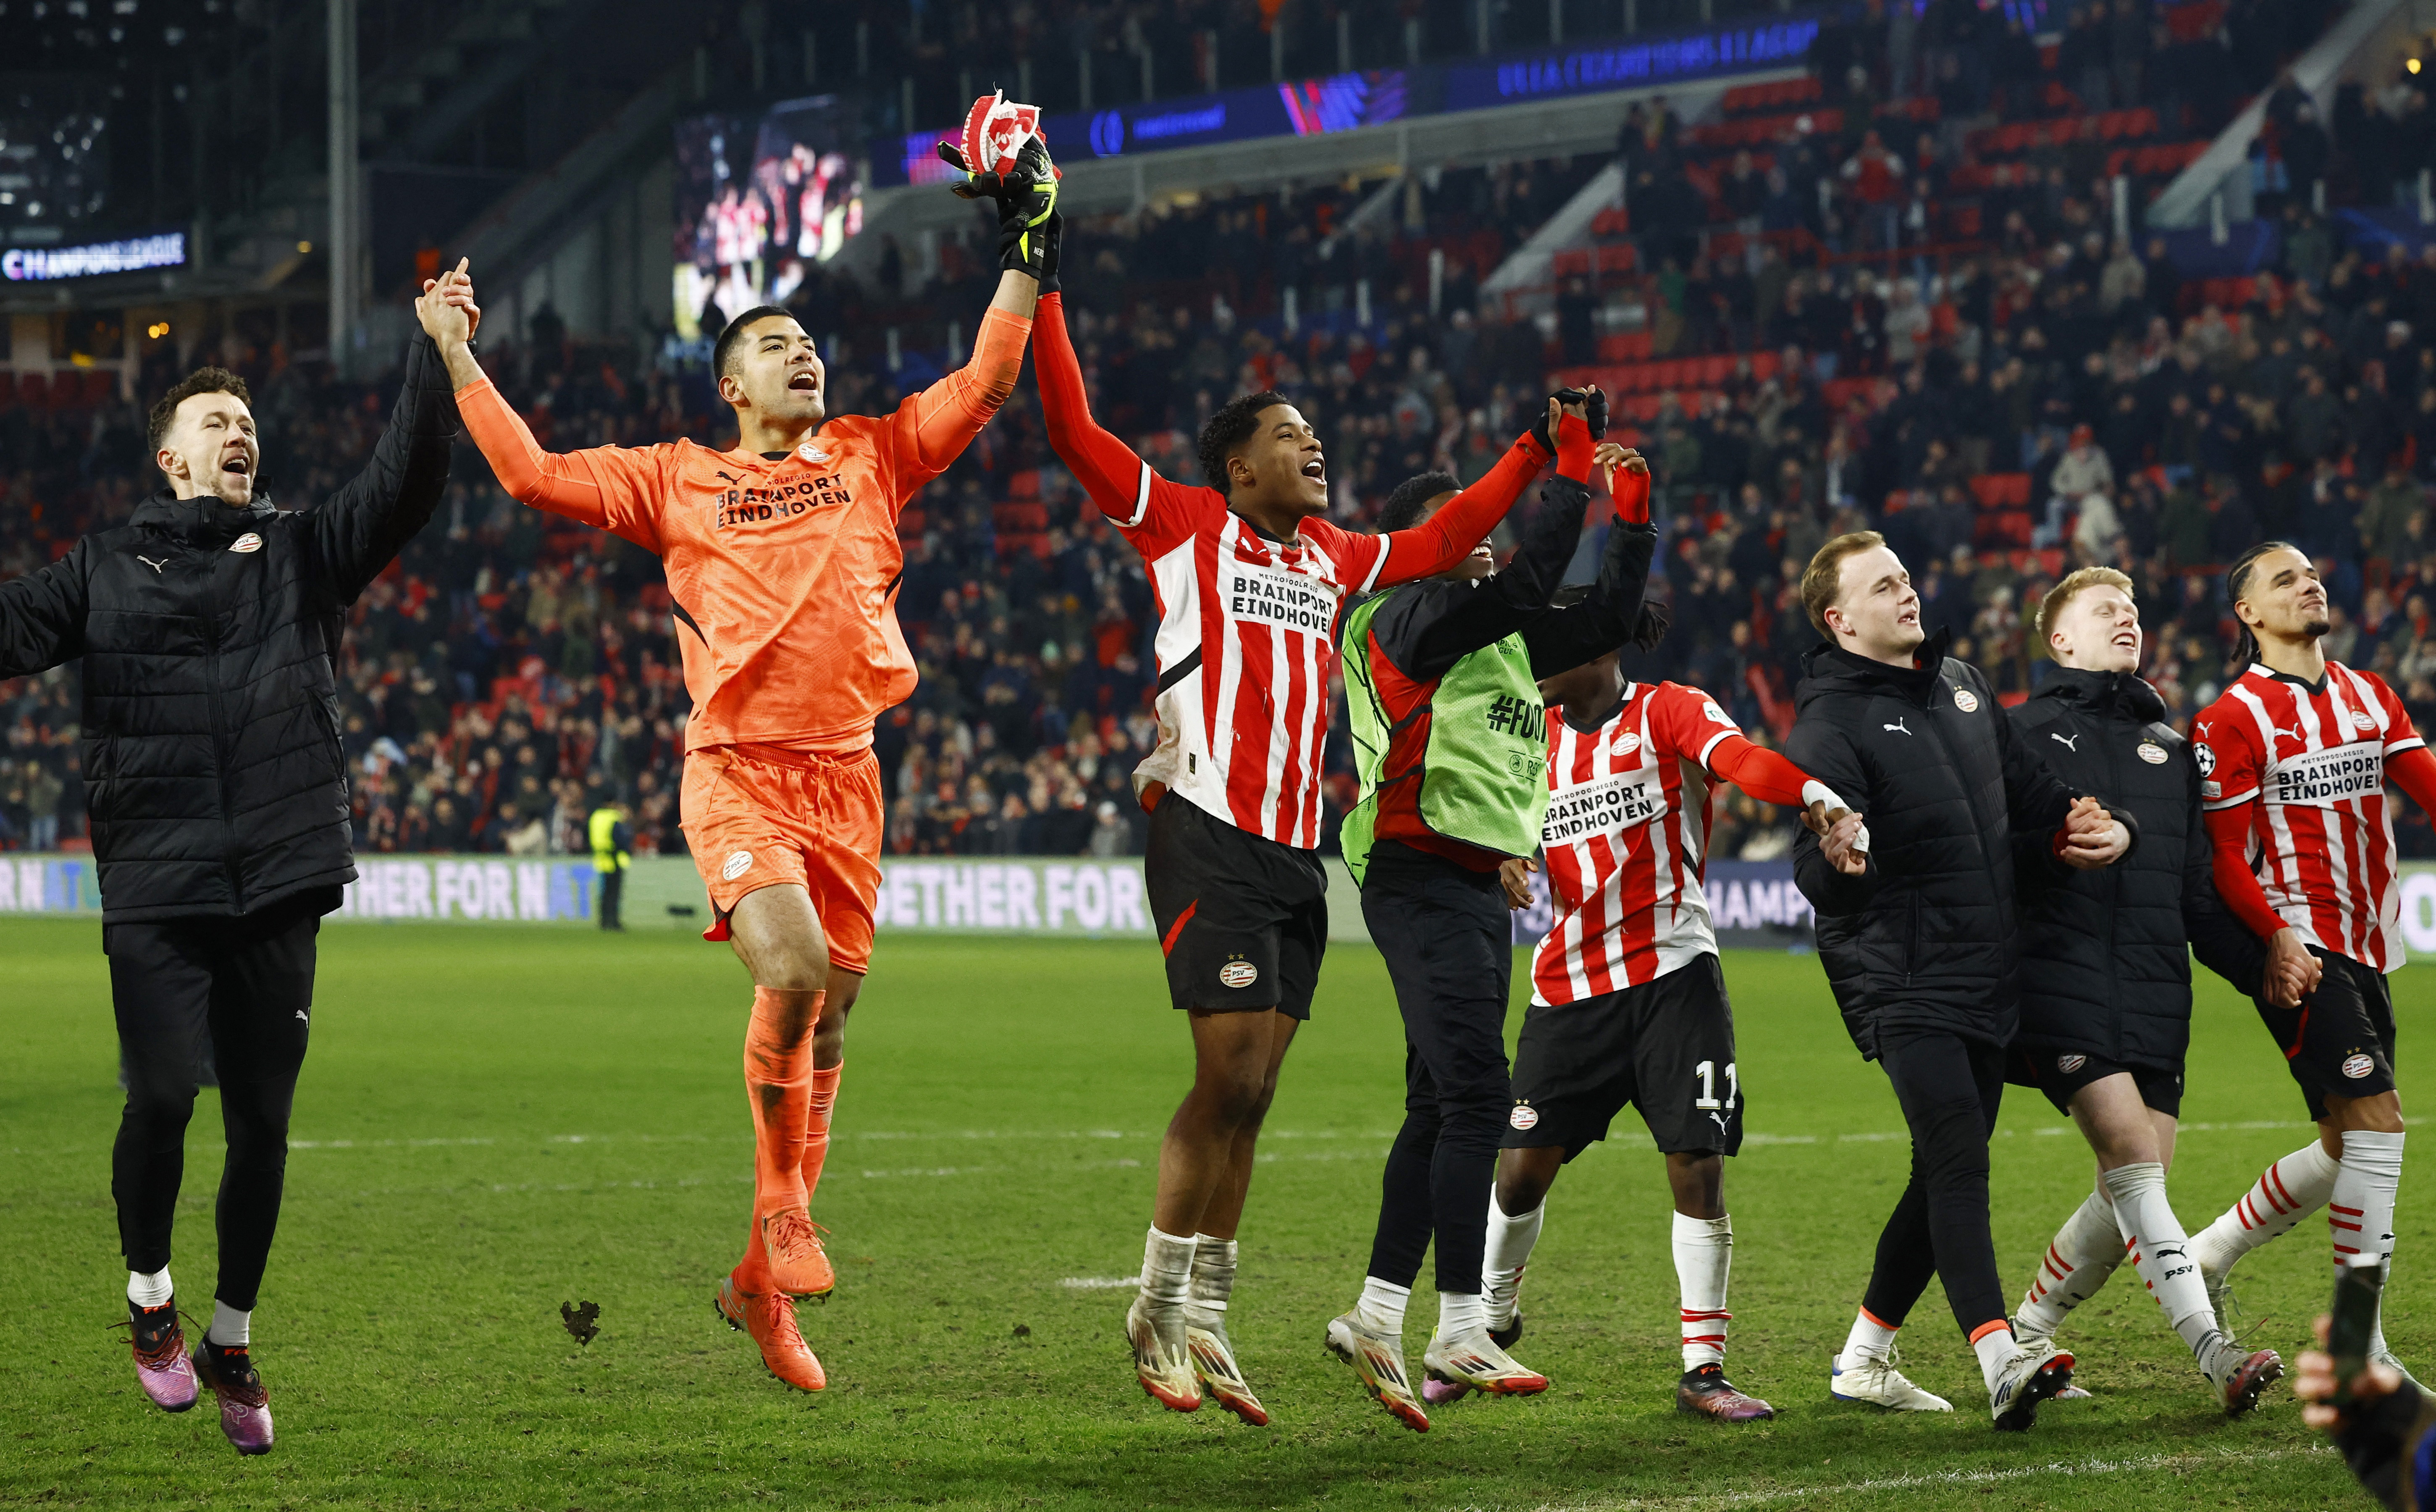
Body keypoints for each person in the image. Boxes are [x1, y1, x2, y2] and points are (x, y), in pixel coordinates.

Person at [436, 140, 1054, 1393]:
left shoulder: (876, 454)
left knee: (829, 1031)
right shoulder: (677, 479)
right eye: (775, 346)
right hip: (736, 772)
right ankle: (784, 1208)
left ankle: (758, 1294)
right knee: (794, 969)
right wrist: (456, 349)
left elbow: (991, 378)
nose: (802, 355)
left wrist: (1028, 243)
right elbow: (527, 473)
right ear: (730, 384)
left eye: (808, 343)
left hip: (848, 780)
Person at [1030, 213, 1563, 1425]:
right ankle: (1156, 1305)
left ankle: (1210, 1318)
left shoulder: (1329, 556)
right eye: (1289, 437)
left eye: (1315, 436)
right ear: (1237, 470)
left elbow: (1438, 538)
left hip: (1292, 853)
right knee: (1223, 1074)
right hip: (1206, 827)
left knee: (1259, 1088)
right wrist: (1043, 280)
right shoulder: (1182, 524)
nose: (1314, 448)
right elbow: (1071, 429)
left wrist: (1535, 456)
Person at [0, 268, 470, 1454]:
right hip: (158, 880)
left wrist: (434, 352)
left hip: (279, 874)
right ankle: (150, 1300)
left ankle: (231, 1336)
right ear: (169, 459)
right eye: (214, 421)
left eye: (247, 421)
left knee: (262, 1126)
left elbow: (405, 486)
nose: (239, 430)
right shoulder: (100, 571)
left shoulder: (303, 552)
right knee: (162, 1098)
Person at [1325, 413, 1651, 1428]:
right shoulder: (1400, 615)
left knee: (1437, 1103)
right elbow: (1517, 582)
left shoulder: (1493, 634)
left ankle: (1377, 1309)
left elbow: (1602, 620)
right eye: (1451, 522)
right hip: (1416, 866)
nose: (1473, 532)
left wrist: (1629, 516)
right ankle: (1460, 1324)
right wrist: (1561, 476)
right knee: (1478, 1096)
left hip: (1471, 879)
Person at [1785, 531, 2131, 1431]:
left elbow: (2030, 795)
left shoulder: (1965, 685)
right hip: (1902, 980)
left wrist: (2080, 826)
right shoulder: (1827, 723)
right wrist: (1835, 861)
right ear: (1838, 620)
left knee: (1935, 1172)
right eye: (1882, 586)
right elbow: (1810, 871)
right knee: (1956, 1163)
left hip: (1985, 974)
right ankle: (1996, 1355)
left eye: (1905, 575)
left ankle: (1862, 1357)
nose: (1906, 592)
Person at [1482, 627, 1864, 1425]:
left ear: (1595, 648)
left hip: (1674, 977)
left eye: (1545, 650)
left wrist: (1812, 794)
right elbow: (1502, 822)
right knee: (1519, 1172)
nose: (1531, 667)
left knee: (1697, 1161)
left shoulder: (1671, 712)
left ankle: (1703, 1370)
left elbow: (1743, 763)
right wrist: (1503, 856)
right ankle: (1491, 1321)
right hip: (1568, 987)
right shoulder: (1532, 737)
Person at [1998, 567, 2282, 1414]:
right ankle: (2214, 1352)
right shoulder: (2020, 734)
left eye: (2131, 609)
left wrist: (2262, 963)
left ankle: (2030, 1328)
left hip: (2156, 987)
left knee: (2133, 1176)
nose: (2125, 619)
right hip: (2059, 980)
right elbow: (1992, 857)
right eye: (2102, 611)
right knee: (2130, 1157)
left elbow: (2195, 890)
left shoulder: (2170, 747)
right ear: (2060, 640)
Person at [2180, 541, 2436, 1387]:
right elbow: (2223, 858)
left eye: (2311, 574)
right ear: (2247, 614)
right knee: (2378, 1123)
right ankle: (2356, 1344)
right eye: (2283, 579)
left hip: (2370, 945)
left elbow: (2426, 786)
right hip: (2300, 948)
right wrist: (2277, 940)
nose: (2308, 584)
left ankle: (2207, 1253)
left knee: (2342, 1142)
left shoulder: (2369, 696)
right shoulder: (2230, 717)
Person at [589, 799, 633, 931]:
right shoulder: (613, 818)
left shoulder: (596, 817)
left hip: (601, 858)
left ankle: (604, 920)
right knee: (614, 893)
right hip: (613, 858)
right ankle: (613, 921)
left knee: (605, 892)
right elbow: (620, 839)